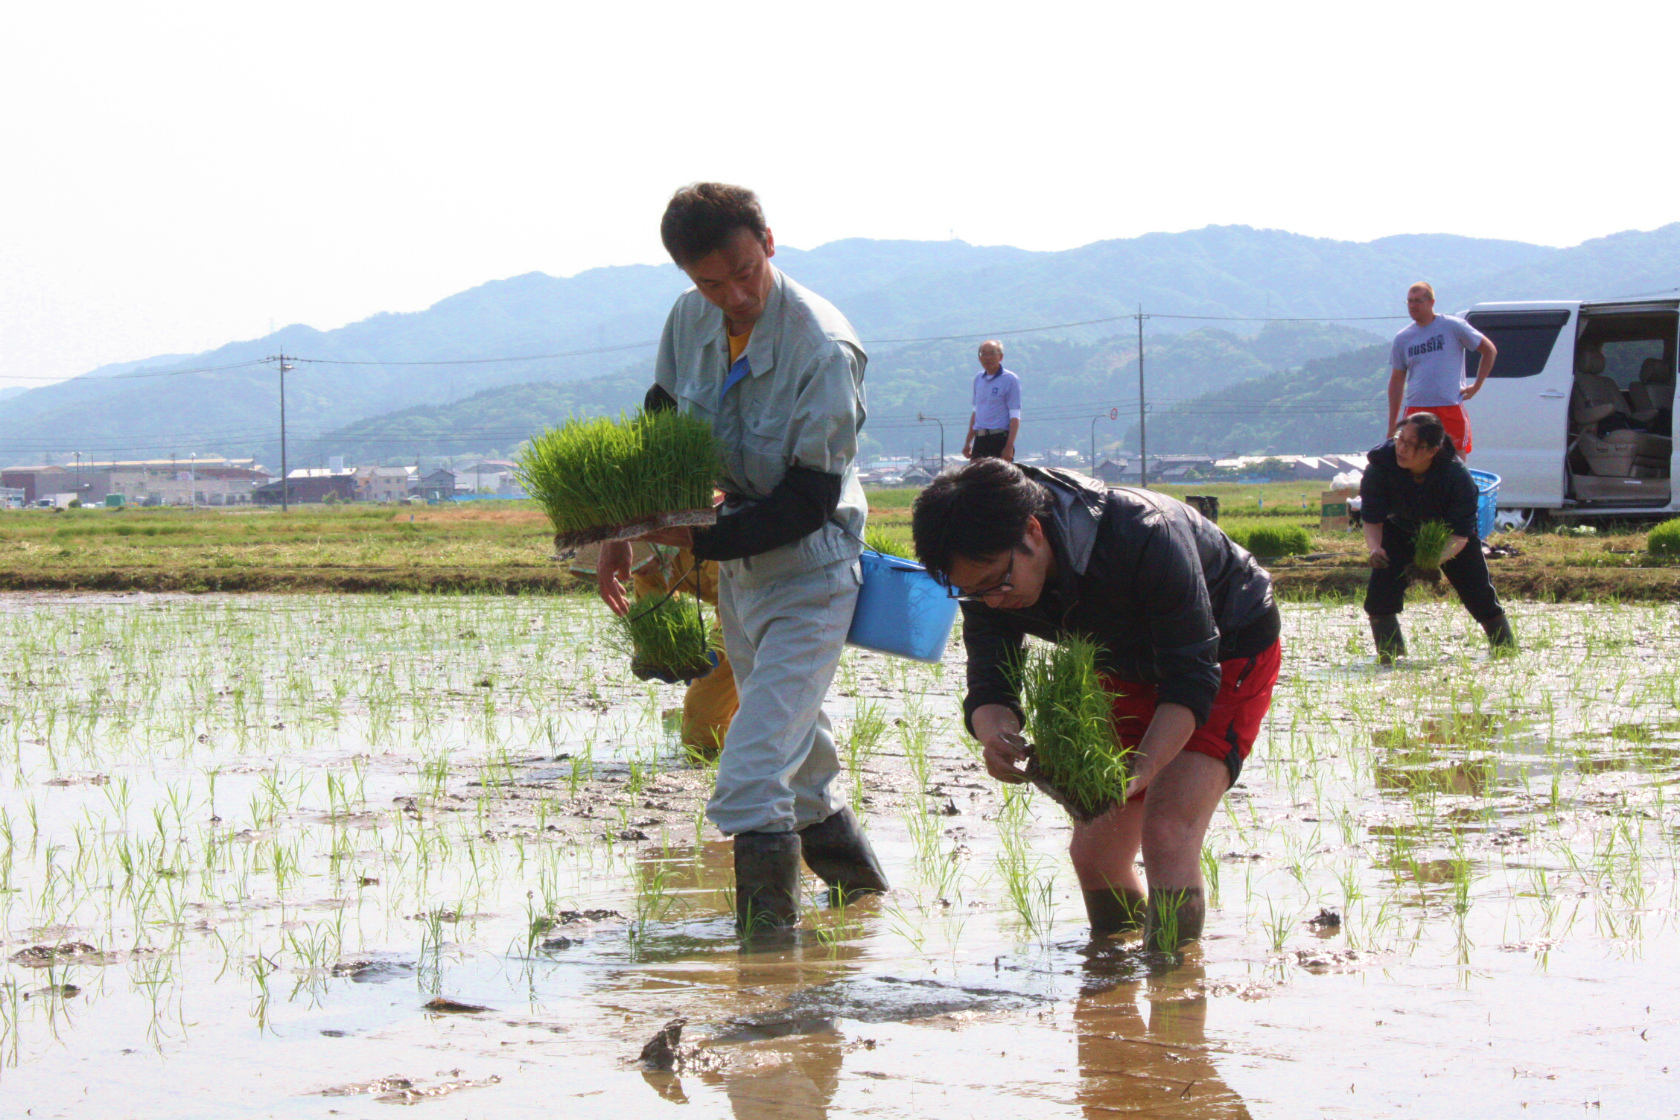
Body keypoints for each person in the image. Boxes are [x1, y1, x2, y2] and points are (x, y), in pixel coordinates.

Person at [596, 182, 887, 935]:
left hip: (812, 573)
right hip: (741, 572)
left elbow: (808, 499)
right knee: (803, 753)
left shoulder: (821, 346)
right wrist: (627, 527)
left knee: (754, 765)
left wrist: (698, 540)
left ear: (768, 241)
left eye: (744, 273)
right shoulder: (690, 318)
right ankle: (865, 899)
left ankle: (765, 968)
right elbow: (662, 423)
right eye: (709, 283)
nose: (733, 295)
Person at [910, 459, 1281, 951]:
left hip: (1226, 649)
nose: (991, 602)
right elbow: (991, 680)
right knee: (1096, 851)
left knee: (1168, 829)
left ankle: (1171, 988)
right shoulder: (987, 580)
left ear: (1033, 532)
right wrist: (994, 733)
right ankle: (1112, 971)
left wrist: (1141, 770)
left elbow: (1191, 677)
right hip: (1123, 659)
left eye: (997, 583)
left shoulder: (1147, 534)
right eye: (971, 592)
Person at [1361, 410, 1516, 661]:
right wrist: (1374, 548)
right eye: (1401, 439)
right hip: (1401, 529)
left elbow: (1460, 535)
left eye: (1412, 445)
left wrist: (1430, 560)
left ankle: (1506, 651)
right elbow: (1372, 516)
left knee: (1479, 594)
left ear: (1432, 450)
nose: (1402, 448)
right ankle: (1391, 658)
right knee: (1380, 598)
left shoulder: (1457, 477)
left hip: (1449, 535)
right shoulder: (1380, 464)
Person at [570, 541, 738, 755]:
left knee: (733, 712)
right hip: (737, 617)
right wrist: (649, 654)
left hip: (765, 615)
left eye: (639, 564)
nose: (633, 573)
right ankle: (721, 769)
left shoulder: (712, 548)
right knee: (701, 732)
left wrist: (715, 653)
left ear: (661, 543)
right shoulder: (651, 565)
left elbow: (739, 610)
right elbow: (655, 614)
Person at [1386, 281, 1497, 457]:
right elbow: (1396, 380)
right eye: (1410, 301)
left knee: (1455, 460)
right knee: (1414, 460)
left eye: (1418, 301)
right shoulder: (1403, 338)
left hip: (1450, 406)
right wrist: (1392, 424)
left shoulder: (1452, 326)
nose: (1413, 305)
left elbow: (1489, 350)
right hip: (1417, 409)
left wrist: (1477, 385)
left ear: (1431, 302)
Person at [962, 340, 1022, 461]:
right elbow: (976, 411)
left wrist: (1009, 446)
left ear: (1000, 357)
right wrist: (968, 441)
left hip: (1000, 439)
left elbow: (1015, 414)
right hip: (980, 439)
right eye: (983, 354)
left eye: (992, 353)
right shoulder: (979, 379)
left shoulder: (1010, 379)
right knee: (974, 478)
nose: (987, 357)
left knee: (1000, 479)